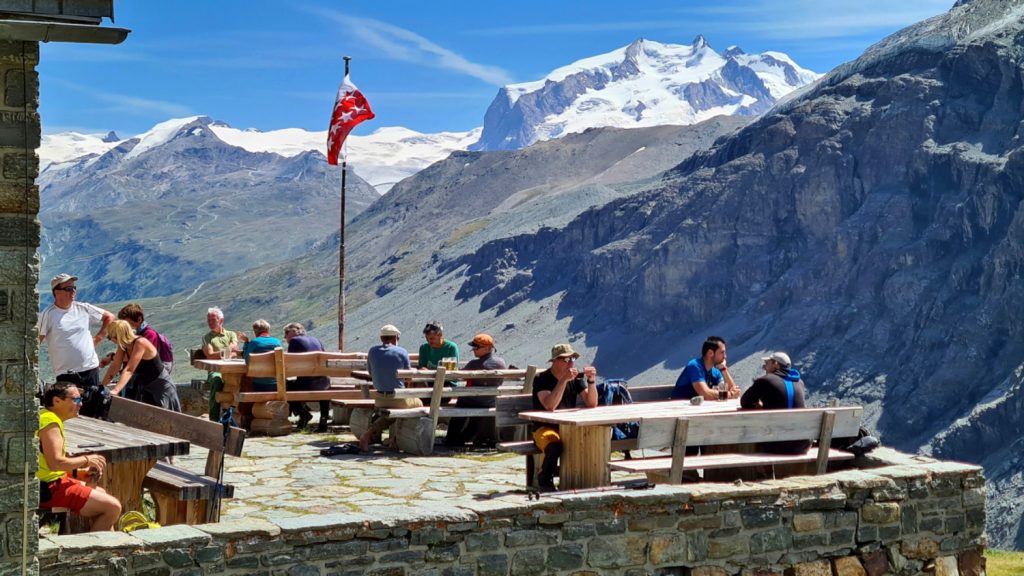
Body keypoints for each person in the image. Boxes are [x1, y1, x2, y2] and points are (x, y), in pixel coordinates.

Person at [37, 382, 122, 531]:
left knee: (101, 494)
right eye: (76, 400)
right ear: (57, 401)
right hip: (47, 489)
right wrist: (86, 460)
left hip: (48, 482)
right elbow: (56, 463)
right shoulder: (50, 423)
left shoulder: (45, 416)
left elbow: (45, 464)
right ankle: (95, 551)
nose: (81, 404)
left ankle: (108, 545)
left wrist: (78, 473)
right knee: (113, 507)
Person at [38, 273, 115, 414]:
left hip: (90, 368)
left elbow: (109, 317)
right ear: (57, 292)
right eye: (68, 289)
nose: (73, 291)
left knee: (92, 408)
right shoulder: (48, 314)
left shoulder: (83, 308)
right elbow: (38, 340)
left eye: (74, 288)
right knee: (69, 411)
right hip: (66, 374)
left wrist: (98, 338)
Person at [531, 343, 599, 492]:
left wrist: (591, 381)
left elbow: (592, 403)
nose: (570, 363)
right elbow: (550, 406)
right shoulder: (541, 379)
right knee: (554, 445)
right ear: (554, 361)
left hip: (569, 429)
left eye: (572, 359)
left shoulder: (575, 379)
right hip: (544, 427)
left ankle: (585, 481)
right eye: (566, 359)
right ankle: (545, 479)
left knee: (592, 441)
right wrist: (563, 381)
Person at [361, 325, 422, 452]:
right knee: (419, 405)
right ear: (395, 338)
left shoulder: (372, 351)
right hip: (397, 398)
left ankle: (377, 436)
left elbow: (371, 373)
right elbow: (408, 378)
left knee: (393, 413)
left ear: (381, 338)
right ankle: (396, 439)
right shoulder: (402, 352)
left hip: (379, 398)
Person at [100, 320, 182, 412]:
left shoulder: (140, 343)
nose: (111, 340)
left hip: (161, 387)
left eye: (110, 337)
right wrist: (102, 387)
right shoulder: (123, 346)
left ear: (116, 337)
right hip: (146, 387)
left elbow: (129, 370)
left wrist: (115, 390)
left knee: (168, 420)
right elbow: (115, 366)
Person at [444, 333, 507, 448]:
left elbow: (458, 376)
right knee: (476, 414)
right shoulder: (501, 363)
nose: (473, 350)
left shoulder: (474, 364)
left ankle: (451, 439)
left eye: (476, 347)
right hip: (490, 401)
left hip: (472, 400)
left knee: (461, 405)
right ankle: (464, 438)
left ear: (488, 348)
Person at [741, 351, 810, 454]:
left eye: (767, 364)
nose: (765, 367)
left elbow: (745, 402)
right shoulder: (799, 382)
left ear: (775, 364)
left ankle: (761, 470)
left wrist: (759, 405)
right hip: (802, 445)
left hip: (777, 443)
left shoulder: (766, 380)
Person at [283, 322, 330, 432]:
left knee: (285, 386)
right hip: (324, 383)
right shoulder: (316, 340)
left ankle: (303, 414)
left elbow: (290, 366)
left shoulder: (294, 341)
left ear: (293, 332)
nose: (285, 336)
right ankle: (323, 421)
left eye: (286, 333)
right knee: (323, 387)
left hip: (308, 384)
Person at [671, 336, 740, 400]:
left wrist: (723, 369)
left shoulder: (715, 372)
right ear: (710, 353)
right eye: (722, 352)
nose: (725, 356)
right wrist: (730, 394)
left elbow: (732, 390)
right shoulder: (695, 366)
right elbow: (705, 394)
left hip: (697, 409)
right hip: (679, 409)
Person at [201, 306, 238, 420]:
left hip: (232, 369)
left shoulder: (231, 334)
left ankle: (238, 416)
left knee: (243, 380)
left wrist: (226, 353)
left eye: (213, 320)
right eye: (208, 320)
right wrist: (228, 351)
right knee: (217, 381)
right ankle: (214, 418)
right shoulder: (207, 338)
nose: (210, 323)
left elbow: (236, 351)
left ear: (221, 320)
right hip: (215, 370)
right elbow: (210, 355)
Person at [115, 303, 174, 374]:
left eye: (127, 324)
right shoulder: (138, 333)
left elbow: (142, 358)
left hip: (158, 371)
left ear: (139, 320)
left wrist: (115, 357)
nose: (125, 327)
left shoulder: (149, 335)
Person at [237, 319, 283, 392]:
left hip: (260, 385)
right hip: (278, 384)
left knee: (244, 379)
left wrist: (246, 342)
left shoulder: (254, 343)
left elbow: (247, 361)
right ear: (268, 330)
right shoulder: (278, 342)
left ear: (255, 331)